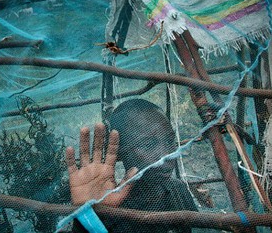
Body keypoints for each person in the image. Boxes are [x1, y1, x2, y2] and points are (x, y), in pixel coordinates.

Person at [66, 99, 198, 233]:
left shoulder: (178, 190)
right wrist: (87, 217)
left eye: (170, 140)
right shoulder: (108, 209)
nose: (167, 155)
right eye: (149, 145)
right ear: (120, 152)